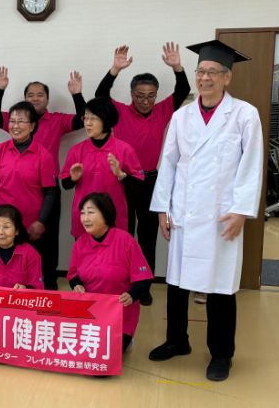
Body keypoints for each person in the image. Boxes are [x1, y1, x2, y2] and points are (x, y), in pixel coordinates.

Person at [149, 40, 263, 382]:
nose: (205, 78)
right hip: (183, 213)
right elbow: (168, 164)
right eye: (200, 71)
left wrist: (242, 211)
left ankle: (222, 354)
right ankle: (177, 341)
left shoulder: (244, 114)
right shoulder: (181, 116)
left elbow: (251, 165)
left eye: (213, 72)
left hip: (221, 216)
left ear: (227, 77)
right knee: (176, 283)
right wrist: (162, 208)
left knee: (219, 286)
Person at [95, 43, 191, 306]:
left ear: (156, 96)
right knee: (123, 235)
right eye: (140, 96)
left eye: (151, 96)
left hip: (150, 181)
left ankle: (143, 286)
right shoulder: (120, 112)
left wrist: (177, 67)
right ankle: (123, 283)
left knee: (147, 238)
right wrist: (115, 69)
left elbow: (182, 90)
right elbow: (101, 95)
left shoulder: (162, 111)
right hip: (122, 181)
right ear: (132, 95)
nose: (146, 101)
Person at [0, 68, 86, 289]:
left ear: (47, 100)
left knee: (47, 237)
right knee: (12, 234)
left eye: (40, 94)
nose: (35, 98)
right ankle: (16, 278)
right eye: (30, 95)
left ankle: (48, 277)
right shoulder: (17, 120)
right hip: (16, 187)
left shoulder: (58, 120)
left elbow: (83, 119)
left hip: (48, 187)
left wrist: (77, 95)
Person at [68, 192, 152, 352]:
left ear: (106, 214)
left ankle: (127, 340)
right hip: (90, 311)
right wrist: (76, 285)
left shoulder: (126, 241)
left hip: (121, 314)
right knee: (79, 350)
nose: (85, 218)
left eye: (91, 212)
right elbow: (73, 275)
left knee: (106, 354)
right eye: (83, 213)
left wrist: (132, 295)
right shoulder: (80, 243)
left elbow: (144, 277)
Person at [0, 101, 56, 285]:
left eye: (21, 121)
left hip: (30, 226)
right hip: (2, 224)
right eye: (12, 121)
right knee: (2, 268)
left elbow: (50, 192)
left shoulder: (44, 155)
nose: (15, 126)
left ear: (32, 126)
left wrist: (41, 222)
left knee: (29, 272)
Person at [60, 97, 143, 239]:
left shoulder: (124, 149)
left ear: (107, 119)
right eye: (86, 118)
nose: (88, 123)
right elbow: (65, 184)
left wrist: (121, 175)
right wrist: (73, 179)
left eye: (94, 118)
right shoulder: (76, 150)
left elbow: (139, 185)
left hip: (114, 221)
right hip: (84, 222)